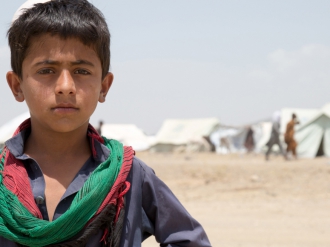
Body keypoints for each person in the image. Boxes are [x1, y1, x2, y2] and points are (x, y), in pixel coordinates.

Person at [0, 1, 211, 246]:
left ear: (104, 86)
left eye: (82, 71)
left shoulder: (128, 175)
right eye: (47, 70)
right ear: (17, 86)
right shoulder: (3, 178)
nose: (66, 87)